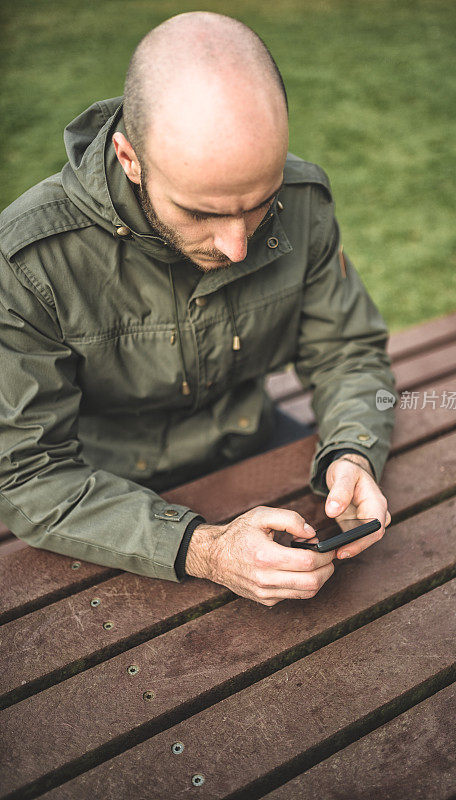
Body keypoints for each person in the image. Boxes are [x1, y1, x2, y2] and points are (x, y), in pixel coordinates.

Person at [0, 12, 396, 606]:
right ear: (129, 158)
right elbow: (32, 475)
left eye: (259, 204)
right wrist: (204, 550)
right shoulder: (30, 262)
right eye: (202, 213)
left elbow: (347, 350)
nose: (236, 245)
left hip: (255, 447)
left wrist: (351, 449)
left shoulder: (302, 202)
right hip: (101, 498)